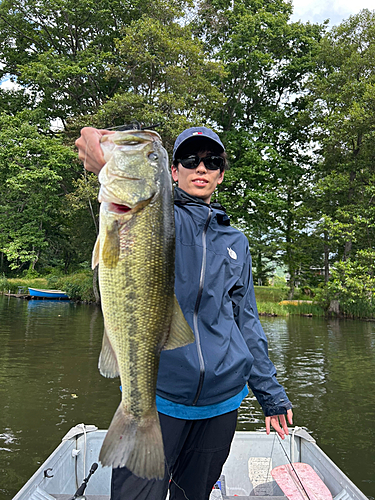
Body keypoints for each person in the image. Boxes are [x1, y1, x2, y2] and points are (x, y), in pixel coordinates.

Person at [75, 126, 293, 500]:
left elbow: (246, 322)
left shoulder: (236, 242)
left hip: (221, 402)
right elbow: (132, 202)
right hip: (160, 397)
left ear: (221, 174)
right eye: (190, 160)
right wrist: (106, 165)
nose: (201, 168)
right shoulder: (160, 217)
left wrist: (269, 394)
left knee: (193, 496)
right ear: (173, 172)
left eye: (212, 162)